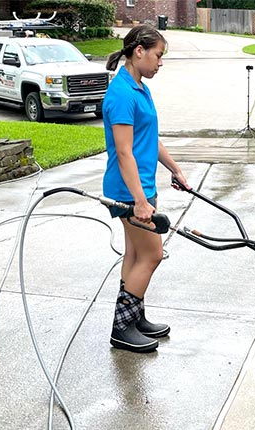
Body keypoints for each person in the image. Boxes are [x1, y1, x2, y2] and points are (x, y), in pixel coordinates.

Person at [102, 25, 189, 353]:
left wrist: (175, 169)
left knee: (136, 254)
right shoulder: (122, 94)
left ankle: (133, 317)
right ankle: (121, 328)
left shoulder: (138, 87)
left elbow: (148, 138)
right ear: (139, 51)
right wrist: (139, 200)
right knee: (153, 254)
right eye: (158, 55)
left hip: (140, 187)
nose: (160, 63)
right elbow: (124, 152)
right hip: (127, 192)